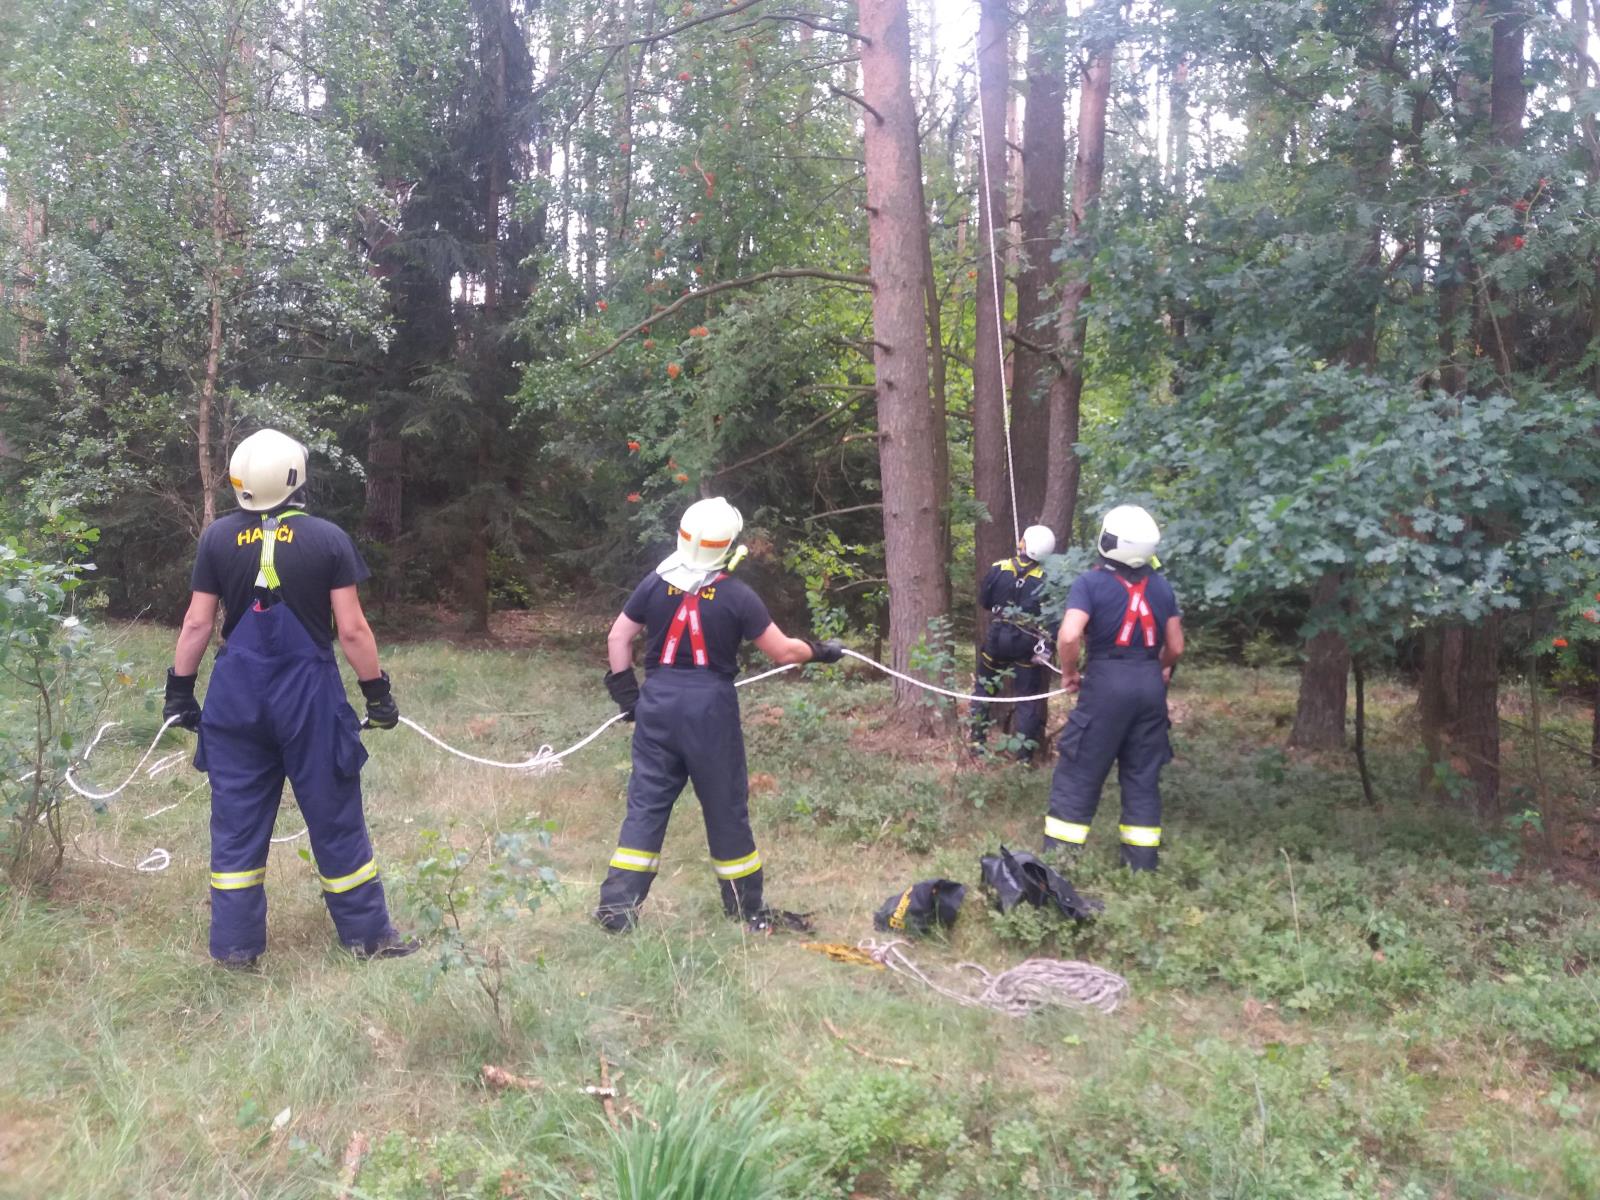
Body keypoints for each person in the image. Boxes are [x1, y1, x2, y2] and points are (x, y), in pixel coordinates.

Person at [162, 429, 415, 966]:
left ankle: (235, 950)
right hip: (309, 701)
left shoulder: (216, 539)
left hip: (236, 699)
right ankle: (368, 938)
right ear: (297, 478)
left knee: (236, 823)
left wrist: (180, 692)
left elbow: (196, 623)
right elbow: (352, 631)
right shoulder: (328, 539)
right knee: (334, 815)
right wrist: (377, 695)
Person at [596, 496, 843, 931]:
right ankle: (746, 910)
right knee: (725, 809)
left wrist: (628, 698)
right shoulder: (737, 595)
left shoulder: (654, 583)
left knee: (646, 807)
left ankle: (617, 911)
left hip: (658, 705)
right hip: (710, 711)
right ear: (727, 546)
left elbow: (619, 637)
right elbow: (783, 651)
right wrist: (823, 652)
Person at [1043, 505, 1184, 871]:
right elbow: (1177, 646)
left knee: (1080, 771)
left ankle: (1060, 864)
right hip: (1150, 687)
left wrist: (1069, 672)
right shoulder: (1162, 587)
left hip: (1106, 684)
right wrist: (1160, 668)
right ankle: (1140, 867)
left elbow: (1070, 634)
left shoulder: (1089, 583)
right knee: (1142, 776)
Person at [971, 524, 1056, 762]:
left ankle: (977, 741)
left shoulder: (999, 569)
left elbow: (985, 601)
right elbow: (1053, 616)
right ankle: (1024, 756)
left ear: (1023, 543)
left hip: (998, 637)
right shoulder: (1046, 579)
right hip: (1026, 643)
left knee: (984, 688)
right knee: (1026, 697)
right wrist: (1047, 646)